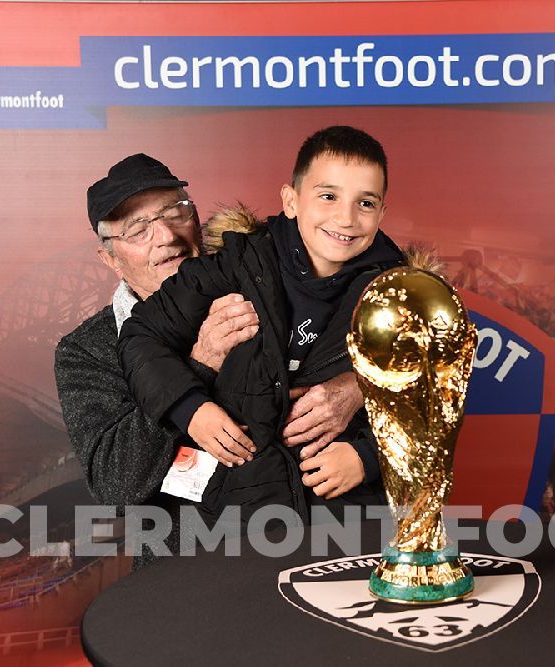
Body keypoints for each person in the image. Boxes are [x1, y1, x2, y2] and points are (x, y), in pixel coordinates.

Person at [55, 153, 362, 566]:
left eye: (174, 212)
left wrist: (362, 385)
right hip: (192, 567)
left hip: (321, 539)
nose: (166, 236)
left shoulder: (265, 276)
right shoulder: (87, 349)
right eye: (137, 229)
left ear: (197, 217)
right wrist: (199, 363)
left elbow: (414, 341)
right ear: (109, 258)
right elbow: (115, 482)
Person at [118, 126, 410, 526]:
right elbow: (140, 338)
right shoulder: (232, 266)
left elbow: (434, 398)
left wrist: (368, 457)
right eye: (328, 196)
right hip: (239, 516)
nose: (346, 218)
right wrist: (190, 410)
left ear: (382, 214)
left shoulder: (403, 295)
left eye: (366, 203)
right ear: (291, 201)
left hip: (349, 514)